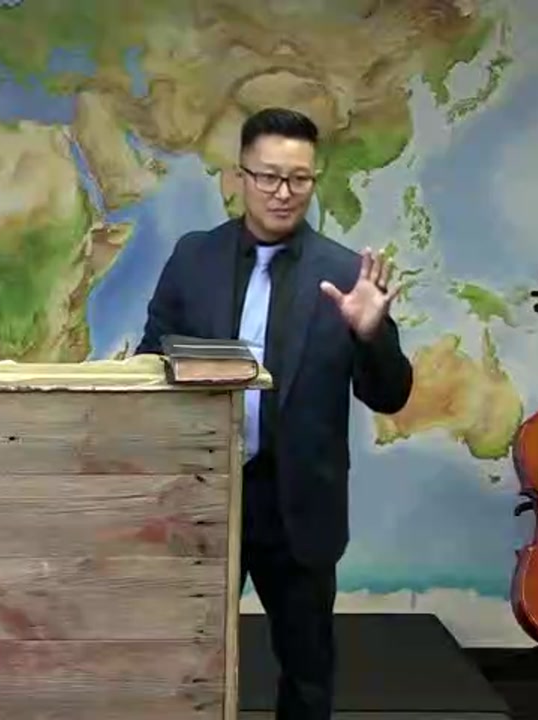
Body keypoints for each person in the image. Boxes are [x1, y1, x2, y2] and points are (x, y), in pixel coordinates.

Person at [135, 107, 414, 720]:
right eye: (268, 177)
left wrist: (371, 334)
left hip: (299, 509)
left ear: (314, 180)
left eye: (299, 179)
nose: (283, 193)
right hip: (205, 498)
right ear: (240, 176)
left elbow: (390, 395)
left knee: (307, 675)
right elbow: (153, 362)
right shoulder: (193, 258)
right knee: (185, 665)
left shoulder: (345, 274)